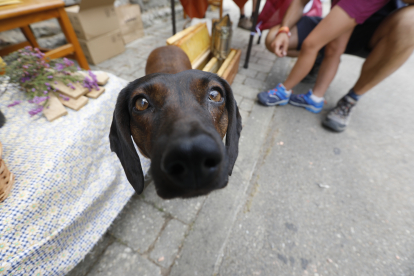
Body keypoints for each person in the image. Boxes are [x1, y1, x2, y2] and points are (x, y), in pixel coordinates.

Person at [257, 0, 414, 132]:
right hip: (348, 10)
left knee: (311, 44)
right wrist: (284, 30)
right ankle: (315, 98)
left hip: (372, 23)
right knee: (332, 49)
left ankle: (284, 91)